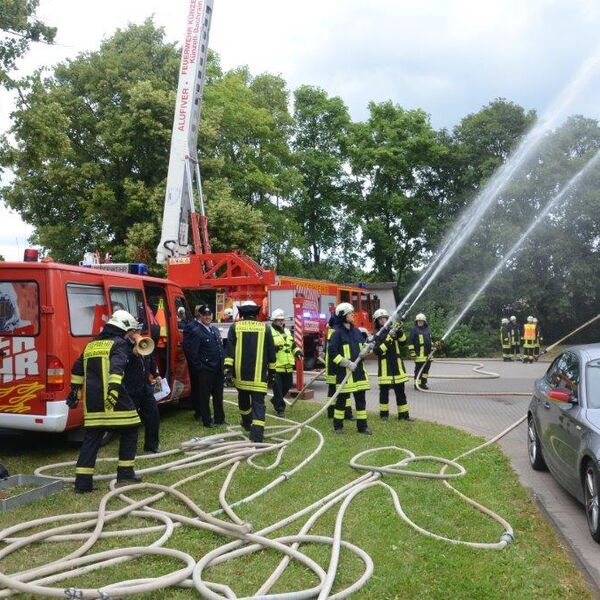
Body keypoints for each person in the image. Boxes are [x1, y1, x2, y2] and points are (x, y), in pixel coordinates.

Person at [68, 310, 141, 493]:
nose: (130, 335)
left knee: (92, 438)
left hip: (93, 403)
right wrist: (114, 391)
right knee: (131, 429)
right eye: (130, 331)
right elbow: (117, 368)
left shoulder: (91, 345)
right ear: (124, 328)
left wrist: (75, 391)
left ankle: (82, 484)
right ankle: (125, 474)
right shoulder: (119, 344)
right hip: (114, 400)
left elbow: (77, 368)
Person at [224, 300, 276, 442]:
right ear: (256, 313)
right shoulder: (265, 328)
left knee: (243, 401)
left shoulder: (235, 327)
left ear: (242, 313)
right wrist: (272, 374)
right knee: (259, 404)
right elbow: (272, 353)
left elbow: (229, 351)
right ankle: (257, 436)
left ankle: (247, 423)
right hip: (259, 377)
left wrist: (228, 371)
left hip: (241, 375)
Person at [328, 302, 371, 435]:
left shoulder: (356, 331)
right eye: (350, 313)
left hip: (358, 373)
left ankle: (362, 427)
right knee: (341, 401)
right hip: (344, 374)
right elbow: (333, 354)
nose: (353, 315)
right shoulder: (337, 333)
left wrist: (367, 350)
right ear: (343, 316)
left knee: (361, 401)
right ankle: (338, 426)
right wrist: (346, 363)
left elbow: (362, 347)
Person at [183, 305, 227, 428]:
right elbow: (192, 353)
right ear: (200, 316)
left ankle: (220, 418)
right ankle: (207, 421)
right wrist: (200, 368)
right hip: (206, 370)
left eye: (209, 315)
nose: (208, 317)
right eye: (205, 315)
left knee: (219, 396)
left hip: (218, 368)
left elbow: (220, 349)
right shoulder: (196, 331)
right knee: (204, 397)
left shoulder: (214, 330)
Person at [123, 324, 161, 453]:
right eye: (134, 330)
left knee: (153, 415)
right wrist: (132, 353)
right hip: (130, 388)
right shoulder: (123, 346)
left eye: (139, 330)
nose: (137, 333)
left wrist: (156, 375)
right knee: (130, 421)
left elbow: (151, 361)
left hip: (145, 387)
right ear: (128, 332)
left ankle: (152, 445)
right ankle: (129, 449)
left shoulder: (145, 343)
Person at [372, 309, 410, 421]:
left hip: (397, 367)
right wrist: (388, 341)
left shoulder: (393, 330)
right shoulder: (378, 335)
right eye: (380, 319)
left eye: (385, 318)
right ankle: (384, 415)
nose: (383, 320)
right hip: (385, 368)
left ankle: (404, 415)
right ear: (377, 321)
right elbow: (377, 351)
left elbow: (403, 342)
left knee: (401, 392)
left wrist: (400, 331)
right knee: (384, 393)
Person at [270, 309, 303, 417]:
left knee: (288, 385)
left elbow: (292, 346)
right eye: (278, 320)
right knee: (278, 389)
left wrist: (298, 352)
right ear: (273, 320)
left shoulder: (287, 331)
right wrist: (274, 348)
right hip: (276, 366)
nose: (281, 322)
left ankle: (275, 400)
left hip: (288, 365)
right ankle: (280, 409)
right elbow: (266, 348)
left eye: (282, 320)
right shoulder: (269, 332)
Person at [408, 313, 432, 390]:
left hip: (428, 355)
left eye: (421, 321)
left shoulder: (427, 330)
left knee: (425, 371)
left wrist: (435, 345)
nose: (420, 322)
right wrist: (412, 352)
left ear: (424, 321)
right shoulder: (414, 330)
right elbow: (410, 342)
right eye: (419, 321)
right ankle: (417, 384)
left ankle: (423, 383)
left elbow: (429, 341)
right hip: (419, 355)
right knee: (418, 370)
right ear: (416, 321)